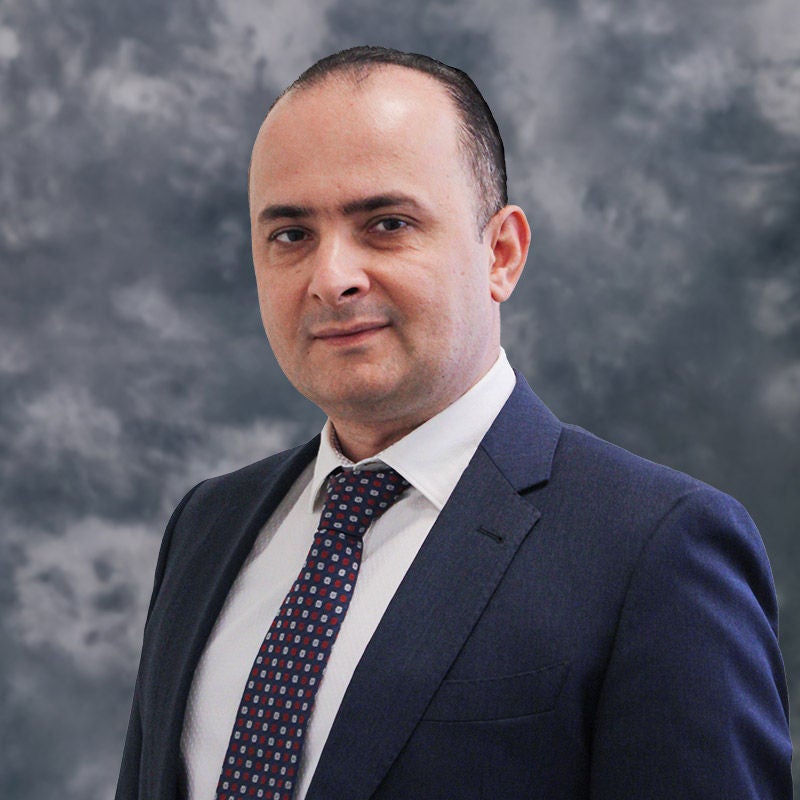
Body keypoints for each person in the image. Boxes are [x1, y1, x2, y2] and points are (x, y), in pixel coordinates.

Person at [116, 46, 792, 800]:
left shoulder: (657, 549)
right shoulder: (208, 524)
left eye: (387, 223)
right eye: (291, 235)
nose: (331, 278)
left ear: (502, 253)